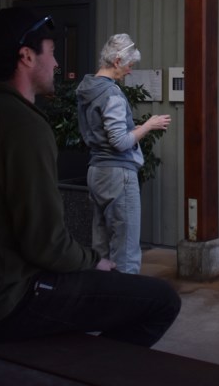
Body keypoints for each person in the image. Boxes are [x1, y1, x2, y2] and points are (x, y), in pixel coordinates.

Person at [0, 7, 180, 347]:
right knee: (161, 300)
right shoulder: (22, 125)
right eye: (53, 53)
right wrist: (92, 262)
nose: (57, 64)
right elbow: (46, 245)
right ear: (27, 56)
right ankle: (100, 371)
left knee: (100, 254)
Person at [76, 34, 170, 274]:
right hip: (118, 174)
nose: (130, 71)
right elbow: (119, 142)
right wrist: (148, 125)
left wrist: (136, 130)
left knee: (101, 247)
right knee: (126, 251)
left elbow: (105, 134)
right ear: (117, 61)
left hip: (96, 171)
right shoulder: (112, 94)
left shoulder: (87, 89)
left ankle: (103, 301)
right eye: (129, 65)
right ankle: (127, 305)